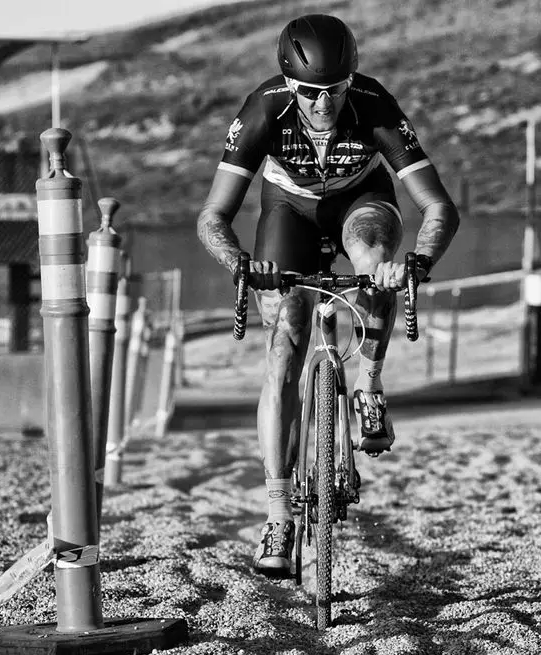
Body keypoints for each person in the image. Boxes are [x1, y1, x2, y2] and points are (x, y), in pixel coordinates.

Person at [196, 14, 460, 579]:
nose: (323, 105)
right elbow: (213, 217)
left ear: (351, 82)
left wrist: (415, 266)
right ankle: (277, 514)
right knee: (284, 346)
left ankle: (369, 385)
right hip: (288, 208)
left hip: (359, 200)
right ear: (290, 88)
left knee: (374, 262)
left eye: (335, 92)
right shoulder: (263, 109)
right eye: (311, 94)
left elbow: (438, 207)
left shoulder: (375, 105)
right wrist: (242, 264)